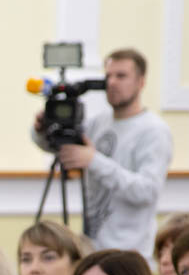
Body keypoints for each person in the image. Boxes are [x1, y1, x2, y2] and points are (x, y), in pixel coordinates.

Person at [32, 48, 173, 255]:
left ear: (141, 82)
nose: (112, 82)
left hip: (130, 252)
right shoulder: (98, 123)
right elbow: (60, 148)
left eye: (121, 76)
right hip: (92, 248)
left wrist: (93, 161)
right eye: (108, 76)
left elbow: (147, 191)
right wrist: (41, 129)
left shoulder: (154, 130)